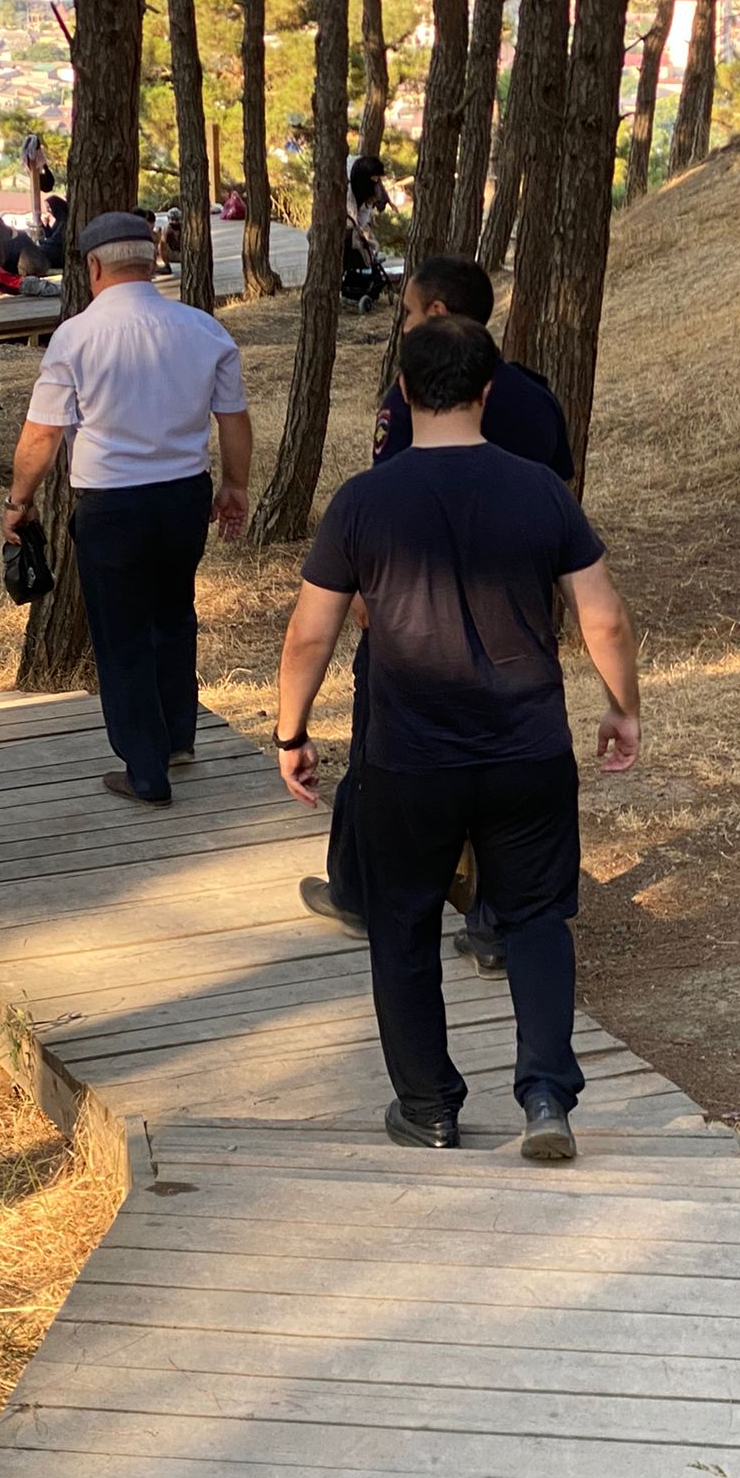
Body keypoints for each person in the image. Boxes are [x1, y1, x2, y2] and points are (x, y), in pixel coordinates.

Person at [275, 316, 640, 1159]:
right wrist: (622, 706)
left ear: (404, 392)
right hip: (527, 750)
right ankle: (545, 1096)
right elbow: (605, 618)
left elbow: (309, 634)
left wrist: (292, 732)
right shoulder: (542, 490)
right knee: (537, 919)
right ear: (487, 389)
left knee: (403, 926)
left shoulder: (363, 501)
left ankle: (429, 1107)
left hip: (408, 760)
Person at [301, 256, 574, 985]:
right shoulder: (536, 399)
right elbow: (560, 499)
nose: (405, 326)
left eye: (410, 313)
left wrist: (364, 598)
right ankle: (498, 928)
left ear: (440, 313)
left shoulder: (412, 396)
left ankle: (360, 891)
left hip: (411, 624)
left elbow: (386, 499)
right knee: (508, 774)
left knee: (378, 756)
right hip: (514, 625)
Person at [2, 212, 253, 808]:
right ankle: (178, 738)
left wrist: (19, 501)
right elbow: (233, 419)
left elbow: (42, 436)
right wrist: (235, 485)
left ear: (93, 266)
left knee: (122, 637)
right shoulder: (204, 330)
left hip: (112, 505)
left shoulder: (76, 338)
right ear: (152, 257)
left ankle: (146, 772)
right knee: (174, 617)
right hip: (184, 497)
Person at [40, 195, 68, 269]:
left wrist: (41, 241)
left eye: (49, 207)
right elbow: (50, 236)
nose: (48, 210)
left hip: (60, 252)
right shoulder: (59, 220)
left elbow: (56, 239)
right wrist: (46, 226)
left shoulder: (64, 221)